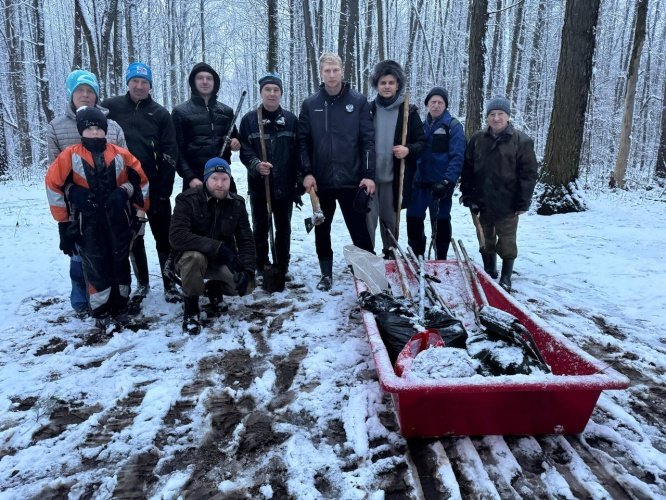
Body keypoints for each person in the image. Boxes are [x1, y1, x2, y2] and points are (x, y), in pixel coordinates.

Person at [46, 107, 149, 329]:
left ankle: (121, 304)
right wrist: (63, 223)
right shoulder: (70, 155)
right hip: (88, 222)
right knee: (95, 265)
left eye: (98, 128)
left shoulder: (120, 154)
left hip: (118, 219)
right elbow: (53, 185)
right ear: (81, 131)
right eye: (89, 128)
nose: (94, 133)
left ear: (105, 130)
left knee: (120, 262)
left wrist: (126, 193)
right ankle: (101, 309)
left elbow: (141, 181)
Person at [46, 69, 126, 318]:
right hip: (78, 208)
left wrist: (124, 193)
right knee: (81, 257)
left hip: (112, 206)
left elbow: (128, 168)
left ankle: (114, 299)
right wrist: (71, 196)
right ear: (71, 94)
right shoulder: (57, 127)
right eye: (79, 90)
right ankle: (82, 300)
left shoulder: (112, 126)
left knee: (111, 255)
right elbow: (54, 174)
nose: (85, 95)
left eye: (90, 91)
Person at [102, 62, 180, 303]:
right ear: (127, 82)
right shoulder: (110, 107)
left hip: (155, 185)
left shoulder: (159, 113)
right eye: (135, 81)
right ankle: (143, 283)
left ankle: (170, 283)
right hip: (122, 186)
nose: (139, 86)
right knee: (134, 236)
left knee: (164, 236)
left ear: (150, 86)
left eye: (144, 82)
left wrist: (163, 188)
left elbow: (170, 151)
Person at [298, 53, 376, 291]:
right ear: (321, 73)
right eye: (327, 71)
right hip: (321, 181)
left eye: (335, 70)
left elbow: (368, 141)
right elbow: (302, 142)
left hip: (352, 181)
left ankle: (367, 272)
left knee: (360, 231)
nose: (331, 75)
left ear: (342, 71)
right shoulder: (310, 104)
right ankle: (326, 273)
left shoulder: (358, 101)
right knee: (322, 228)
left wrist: (369, 174)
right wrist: (307, 172)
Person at [460, 96, 538, 292]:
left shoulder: (521, 141)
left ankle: (506, 276)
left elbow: (528, 174)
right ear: (487, 117)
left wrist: (523, 202)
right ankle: (489, 269)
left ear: (508, 117)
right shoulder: (478, 139)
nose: (496, 118)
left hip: (508, 202)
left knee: (507, 240)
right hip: (481, 200)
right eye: (492, 114)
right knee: (484, 238)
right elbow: (467, 168)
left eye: (500, 114)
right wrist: (467, 194)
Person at [169, 158, 255, 335]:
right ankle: (191, 309)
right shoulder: (187, 199)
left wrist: (247, 269)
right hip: (190, 261)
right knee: (194, 257)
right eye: (215, 178)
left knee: (246, 286)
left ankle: (213, 289)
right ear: (206, 179)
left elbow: (246, 239)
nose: (220, 184)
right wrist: (218, 247)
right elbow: (177, 236)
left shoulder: (237, 203)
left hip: (220, 262)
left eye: (225, 179)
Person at [238, 72, 301, 279]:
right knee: (261, 227)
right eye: (268, 90)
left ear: (281, 94)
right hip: (259, 186)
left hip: (285, 186)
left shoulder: (291, 120)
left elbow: (298, 152)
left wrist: (298, 183)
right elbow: (245, 150)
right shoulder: (249, 120)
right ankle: (262, 264)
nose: (272, 94)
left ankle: (282, 265)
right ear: (262, 92)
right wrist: (256, 165)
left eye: (276, 90)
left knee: (283, 228)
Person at [367, 60, 425, 258]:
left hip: (395, 180)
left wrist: (408, 150)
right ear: (377, 85)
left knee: (390, 222)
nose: (387, 86)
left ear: (398, 84)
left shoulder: (409, 111)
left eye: (391, 82)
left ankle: (390, 255)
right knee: (368, 220)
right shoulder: (368, 110)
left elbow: (422, 143)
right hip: (370, 179)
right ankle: (367, 257)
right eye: (383, 82)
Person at [406, 87, 465, 260]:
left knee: (441, 223)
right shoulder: (420, 126)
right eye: (433, 102)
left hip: (440, 187)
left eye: (440, 102)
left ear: (445, 105)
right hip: (418, 185)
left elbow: (457, 156)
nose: (436, 105)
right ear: (427, 105)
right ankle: (417, 256)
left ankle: (441, 259)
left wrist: (448, 181)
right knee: (413, 220)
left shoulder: (453, 127)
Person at [171, 62, 240, 192]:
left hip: (222, 178)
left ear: (215, 82)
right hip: (195, 181)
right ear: (193, 82)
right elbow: (176, 150)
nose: (204, 82)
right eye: (200, 78)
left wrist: (235, 142)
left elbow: (234, 137)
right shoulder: (180, 112)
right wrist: (190, 178)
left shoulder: (226, 111)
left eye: (209, 78)